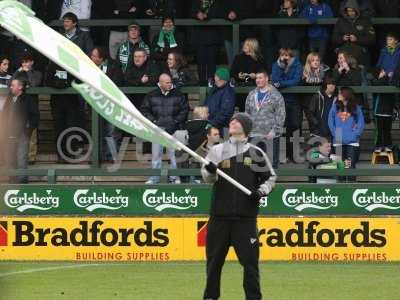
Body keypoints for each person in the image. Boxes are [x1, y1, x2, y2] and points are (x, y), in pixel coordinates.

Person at [201, 112, 276, 300]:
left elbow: (270, 178)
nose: (232, 123)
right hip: (219, 217)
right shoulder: (218, 151)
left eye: (237, 121)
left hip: (245, 220)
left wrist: (261, 192)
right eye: (232, 120)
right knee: (213, 264)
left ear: (246, 128)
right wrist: (210, 172)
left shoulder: (256, 153)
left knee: (250, 265)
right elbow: (208, 178)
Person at [141, 73, 189, 184]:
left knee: (174, 156)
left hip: (175, 129)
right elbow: (144, 110)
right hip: (157, 130)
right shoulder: (151, 95)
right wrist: (154, 122)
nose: (170, 84)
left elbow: (185, 110)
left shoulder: (179, 94)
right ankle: (154, 178)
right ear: (160, 83)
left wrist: (175, 121)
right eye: (167, 82)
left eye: (170, 82)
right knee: (156, 156)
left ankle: (174, 178)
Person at [245, 70, 286, 169]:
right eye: (257, 78)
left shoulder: (276, 95)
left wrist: (274, 132)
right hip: (253, 135)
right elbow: (247, 114)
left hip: (270, 136)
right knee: (252, 166)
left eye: (260, 78)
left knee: (271, 167)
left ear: (267, 79)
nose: (258, 80)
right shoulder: (251, 94)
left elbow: (281, 115)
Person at [90, 46, 124, 163]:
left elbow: (117, 82)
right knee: (96, 130)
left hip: (111, 105)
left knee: (111, 131)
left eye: (94, 56)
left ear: (101, 58)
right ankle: (97, 157)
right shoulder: (88, 67)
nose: (92, 58)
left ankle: (111, 156)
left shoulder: (113, 67)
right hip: (95, 104)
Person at [3, 77, 39, 183]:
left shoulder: (28, 99)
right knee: (10, 159)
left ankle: (22, 184)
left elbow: (35, 116)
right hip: (9, 133)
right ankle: (12, 181)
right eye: (11, 85)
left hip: (22, 134)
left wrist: (28, 129)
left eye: (13, 85)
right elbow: (4, 113)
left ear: (20, 87)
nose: (11, 87)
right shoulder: (9, 98)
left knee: (22, 159)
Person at [271, 48, 303, 163]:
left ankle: (295, 154)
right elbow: (274, 80)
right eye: (283, 55)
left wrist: (281, 84)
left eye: (287, 55)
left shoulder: (297, 65)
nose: (285, 58)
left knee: (295, 126)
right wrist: (280, 66)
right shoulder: (276, 65)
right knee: (281, 127)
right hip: (280, 100)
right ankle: (282, 154)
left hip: (294, 100)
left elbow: (295, 81)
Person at [12, 52, 42, 165]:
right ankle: (17, 157)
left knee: (31, 131)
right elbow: (11, 83)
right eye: (23, 62)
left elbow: (34, 83)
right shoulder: (19, 74)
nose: (25, 64)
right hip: (19, 106)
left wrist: (28, 71)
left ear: (32, 62)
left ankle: (31, 158)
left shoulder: (37, 73)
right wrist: (18, 71)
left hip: (32, 105)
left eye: (27, 61)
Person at [372, 33, 400, 153]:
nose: (388, 41)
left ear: (396, 41)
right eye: (387, 39)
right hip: (383, 80)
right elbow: (378, 65)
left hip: (395, 80)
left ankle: (396, 110)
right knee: (380, 126)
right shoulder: (383, 51)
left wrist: (393, 74)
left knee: (387, 125)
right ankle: (379, 145)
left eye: (390, 39)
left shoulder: (399, 51)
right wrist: (381, 72)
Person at [328, 87, 365, 171]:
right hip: (338, 141)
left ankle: (351, 184)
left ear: (346, 95)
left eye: (340, 93)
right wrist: (335, 134)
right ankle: (340, 184)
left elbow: (361, 123)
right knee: (339, 167)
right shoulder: (335, 107)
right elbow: (330, 122)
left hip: (352, 142)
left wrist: (355, 135)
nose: (338, 95)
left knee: (350, 167)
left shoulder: (356, 108)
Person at [191, 0, 225, 84]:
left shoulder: (217, 2)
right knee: (201, 63)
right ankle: (202, 83)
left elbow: (221, 13)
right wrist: (197, 14)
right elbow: (190, 12)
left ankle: (211, 84)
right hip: (199, 37)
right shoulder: (196, 2)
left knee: (211, 63)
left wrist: (207, 16)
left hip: (213, 37)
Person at [332, 0, 375, 65]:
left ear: (356, 10)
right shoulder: (340, 21)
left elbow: (372, 39)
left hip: (360, 50)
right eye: (348, 11)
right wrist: (342, 38)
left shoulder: (365, 21)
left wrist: (357, 39)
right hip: (344, 50)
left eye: (352, 10)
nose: (350, 13)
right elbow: (334, 38)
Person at [204, 68, 236, 136]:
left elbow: (226, 113)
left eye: (219, 79)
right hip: (211, 125)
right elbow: (206, 104)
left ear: (224, 80)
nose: (216, 81)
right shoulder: (213, 90)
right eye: (216, 78)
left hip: (221, 129)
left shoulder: (228, 93)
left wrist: (212, 123)